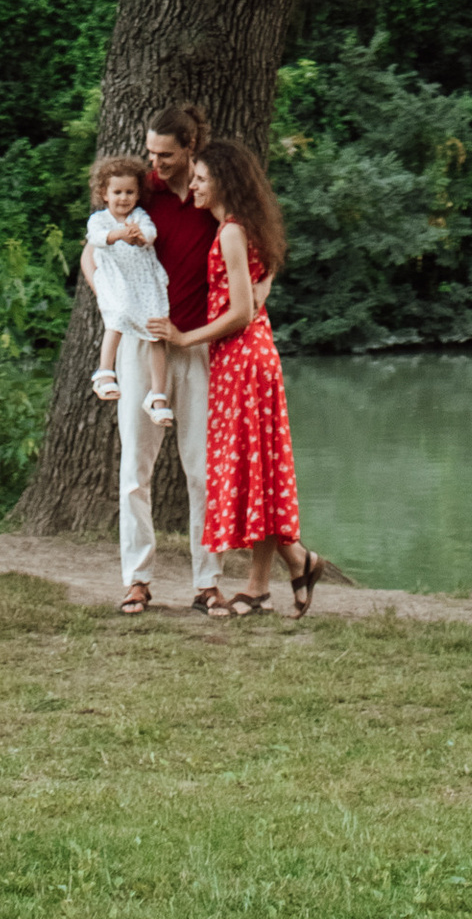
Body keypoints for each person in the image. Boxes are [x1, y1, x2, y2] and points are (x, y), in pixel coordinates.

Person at [156, 135, 324, 621]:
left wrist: (186, 338)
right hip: (254, 357)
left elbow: (242, 310)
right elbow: (264, 277)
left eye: (203, 178)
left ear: (224, 181)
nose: (196, 184)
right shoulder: (246, 226)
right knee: (259, 471)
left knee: (253, 470)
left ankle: (264, 582)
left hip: (242, 359)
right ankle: (289, 566)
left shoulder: (231, 231)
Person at [112, 102, 225, 616]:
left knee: (201, 469)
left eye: (165, 154)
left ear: (189, 150)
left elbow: (259, 252)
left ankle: (208, 584)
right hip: (142, 343)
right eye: (150, 151)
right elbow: (94, 249)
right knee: (136, 466)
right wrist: (112, 302)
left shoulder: (210, 198)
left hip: (197, 343)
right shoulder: (140, 193)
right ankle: (136, 580)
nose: (154, 162)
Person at [81, 155, 171, 426]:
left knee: (157, 332)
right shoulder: (100, 220)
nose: (123, 198)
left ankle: (157, 395)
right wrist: (121, 234)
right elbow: (97, 239)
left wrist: (140, 236)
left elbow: (150, 233)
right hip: (117, 281)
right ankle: (105, 372)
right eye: (117, 192)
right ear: (104, 194)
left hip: (144, 282)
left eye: (130, 192)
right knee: (117, 317)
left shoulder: (139, 217)